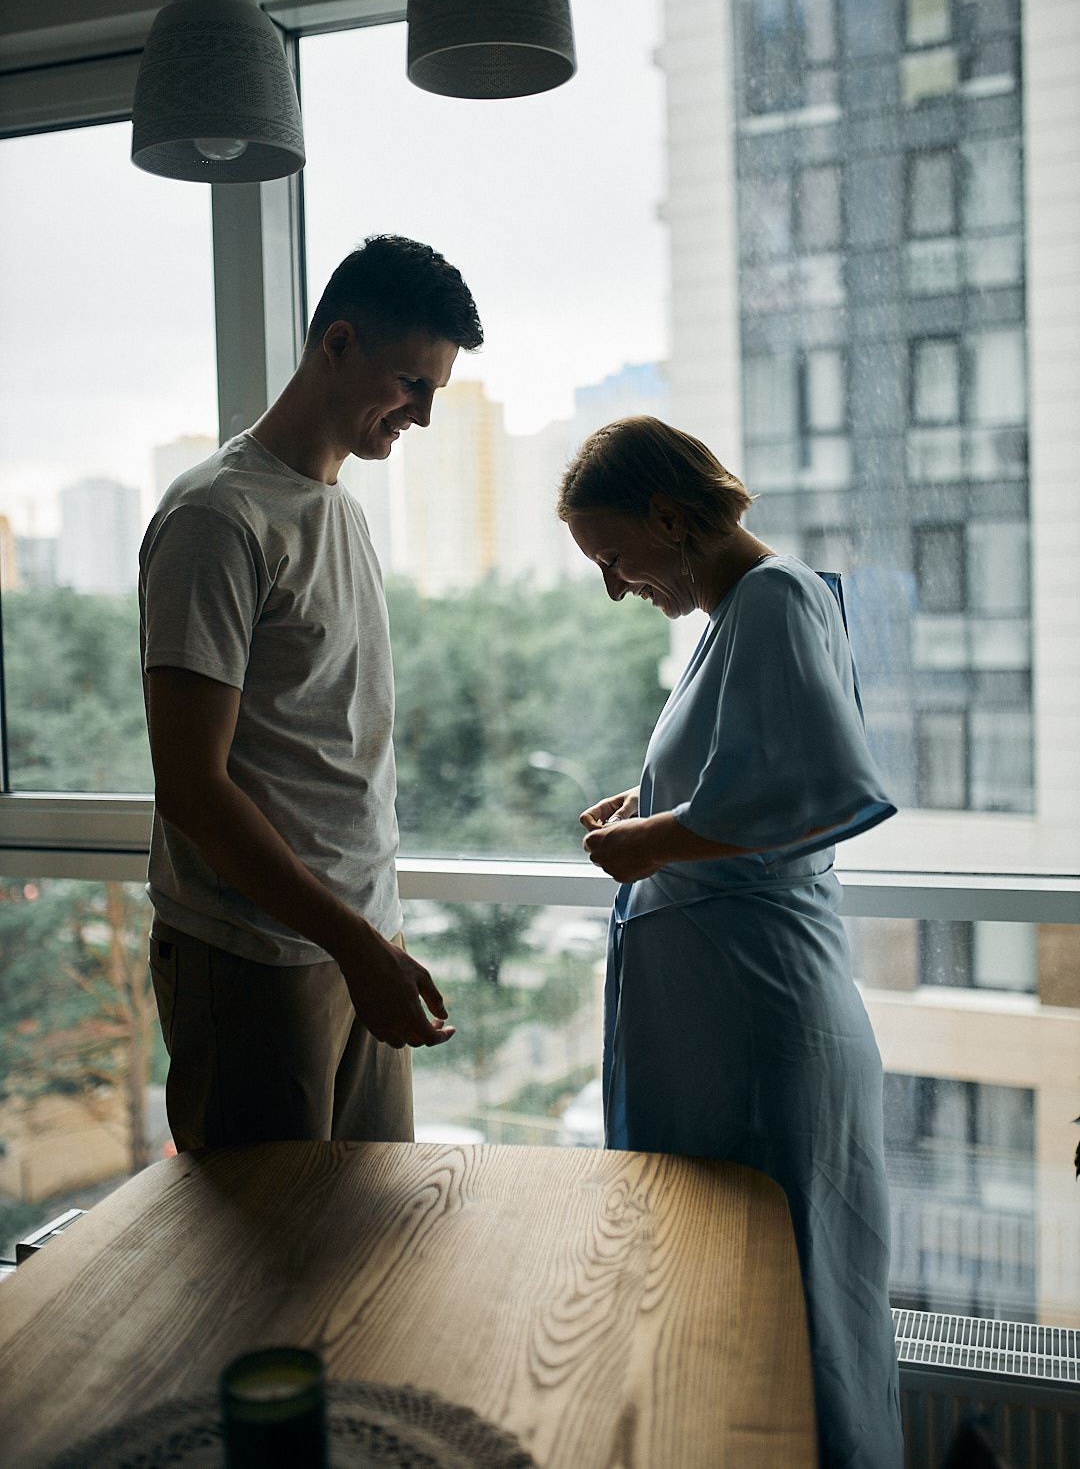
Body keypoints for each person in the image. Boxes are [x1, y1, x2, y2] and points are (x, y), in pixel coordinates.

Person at [557, 415, 904, 1469]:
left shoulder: (776, 596)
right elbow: (749, 776)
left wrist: (655, 839)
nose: (618, 588)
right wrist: (654, 800)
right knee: (733, 1293)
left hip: (762, 1022)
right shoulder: (731, 618)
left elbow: (816, 789)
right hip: (732, 1024)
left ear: (668, 516)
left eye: (616, 557)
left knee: (789, 1294)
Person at [139, 234, 483, 1152]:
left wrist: (370, 941)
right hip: (251, 960)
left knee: (371, 1250)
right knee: (264, 1275)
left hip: (353, 946)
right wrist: (356, 945)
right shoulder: (217, 517)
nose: (421, 414)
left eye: (435, 393)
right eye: (411, 383)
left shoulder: (341, 512)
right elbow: (193, 790)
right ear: (336, 345)